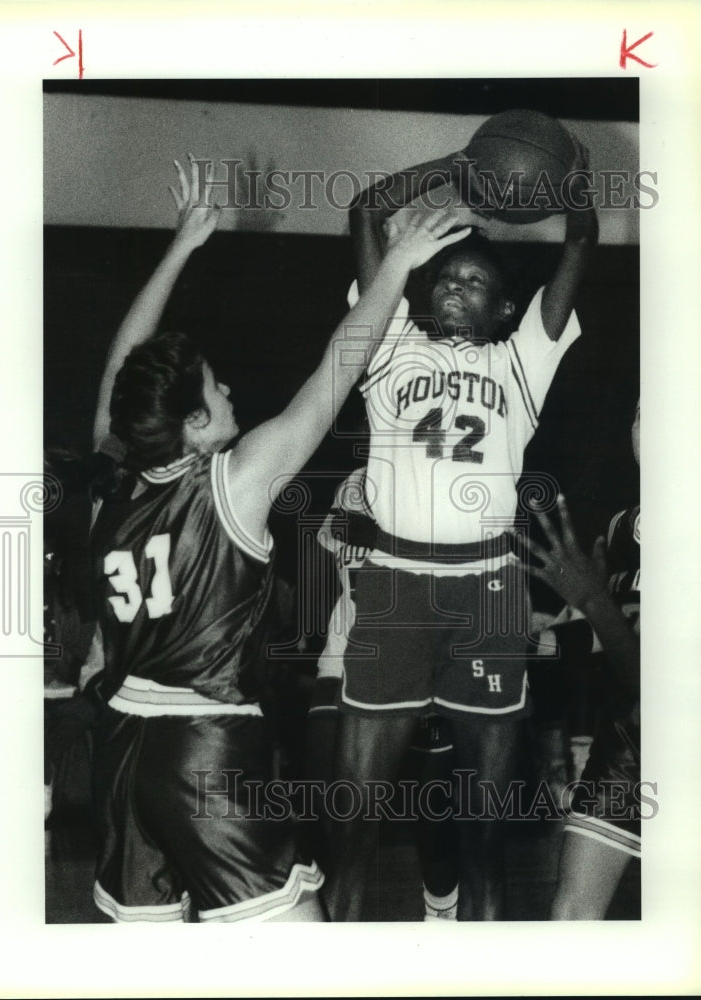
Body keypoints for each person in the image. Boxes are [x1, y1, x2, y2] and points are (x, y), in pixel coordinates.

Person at [88, 155, 471, 923]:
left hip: (122, 754)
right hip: (206, 753)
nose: (228, 390)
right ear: (193, 427)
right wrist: (397, 260)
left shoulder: (113, 486)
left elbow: (118, 377)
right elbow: (338, 370)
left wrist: (180, 249)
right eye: (214, 388)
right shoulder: (233, 480)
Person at [325, 133, 598, 921]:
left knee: (483, 838)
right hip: (395, 591)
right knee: (353, 827)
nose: (453, 286)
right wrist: (462, 168)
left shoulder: (522, 360)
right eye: (444, 276)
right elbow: (367, 208)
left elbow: (580, 236)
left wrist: (566, 178)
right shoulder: (387, 343)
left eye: (474, 280)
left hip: (486, 591)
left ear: (504, 307)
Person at [305, 468, 459, 920]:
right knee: (329, 817)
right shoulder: (354, 480)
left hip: (424, 667)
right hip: (345, 658)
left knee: (435, 818)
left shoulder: (447, 477)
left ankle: (442, 916)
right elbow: (333, 535)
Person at [526, 404, 641, 919]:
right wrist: (527, 644)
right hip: (629, 738)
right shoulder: (625, 529)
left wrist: (593, 600)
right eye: (641, 414)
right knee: (570, 919)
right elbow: (617, 631)